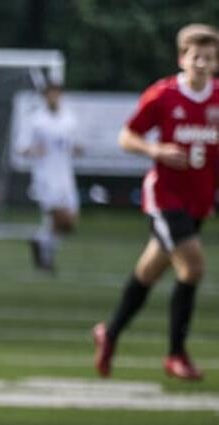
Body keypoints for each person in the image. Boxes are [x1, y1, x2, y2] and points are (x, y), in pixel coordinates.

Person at [93, 23, 219, 381]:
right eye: (196, 57)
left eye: (209, 58)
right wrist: (155, 149)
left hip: (198, 199)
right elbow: (126, 136)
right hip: (165, 197)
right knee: (193, 266)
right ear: (182, 58)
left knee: (149, 271)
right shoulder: (163, 95)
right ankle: (176, 353)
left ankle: (110, 331)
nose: (202, 64)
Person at [18, 81, 81, 273]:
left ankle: (41, 246)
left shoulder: (69, 119)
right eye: (50, 94)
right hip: (45, 178)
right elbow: (21, 148)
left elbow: (73, 144)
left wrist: (76, 149)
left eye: (56, 94)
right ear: (45, 97)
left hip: (66, 176)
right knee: (62, 221)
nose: (53, 97)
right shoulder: (35, 120)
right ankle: (44, 253)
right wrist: (32, 150)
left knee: (65, 223)